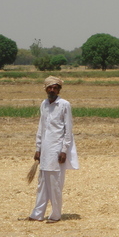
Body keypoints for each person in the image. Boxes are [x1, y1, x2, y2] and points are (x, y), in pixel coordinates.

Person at [28, 76, 79, 223]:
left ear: (59, 89)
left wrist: (64, 150)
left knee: (55, 184)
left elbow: (68, 130)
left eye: (55, 87)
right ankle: (37, 214)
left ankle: (56, 215)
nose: (52, 90)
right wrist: (38, 147)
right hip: (45, 149)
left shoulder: (64, 105)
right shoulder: (44, 104)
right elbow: (41, 128)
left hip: (57, 150)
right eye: (50, 87)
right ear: (45, 89)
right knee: (42, 183)